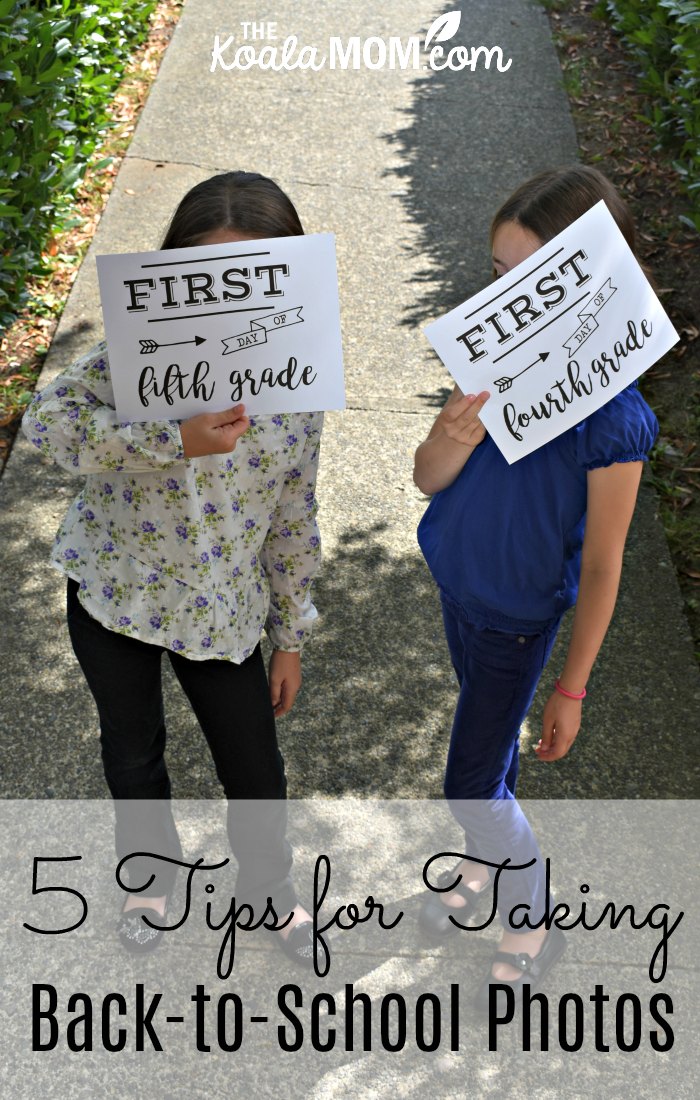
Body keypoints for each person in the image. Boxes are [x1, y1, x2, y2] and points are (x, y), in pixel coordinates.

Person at [22, 171, 323, 964]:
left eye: (246, 284)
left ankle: (269, 892)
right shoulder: (134, 353)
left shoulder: (297, 390)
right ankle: (150, 882)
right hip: (114, 591)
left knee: (256, 771)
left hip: (224, 612)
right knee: (131, 751)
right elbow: (48, 426)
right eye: (200, 283)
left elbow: (295, 514)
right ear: (167, 281)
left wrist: (289, 633)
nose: (222, 310)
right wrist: (169, 438)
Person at [413, 165, 659, 1008]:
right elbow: (427, 479)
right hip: (460, 587)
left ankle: (533, 913)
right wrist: (450, 434)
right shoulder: (485, 372)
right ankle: (485, 863)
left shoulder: (616, 416)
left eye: (529, 281)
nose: (502, 300)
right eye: (496, 274)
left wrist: (575, 684)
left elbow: (603, 563)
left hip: (517, 619)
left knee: (469, 785)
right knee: (487, 745)